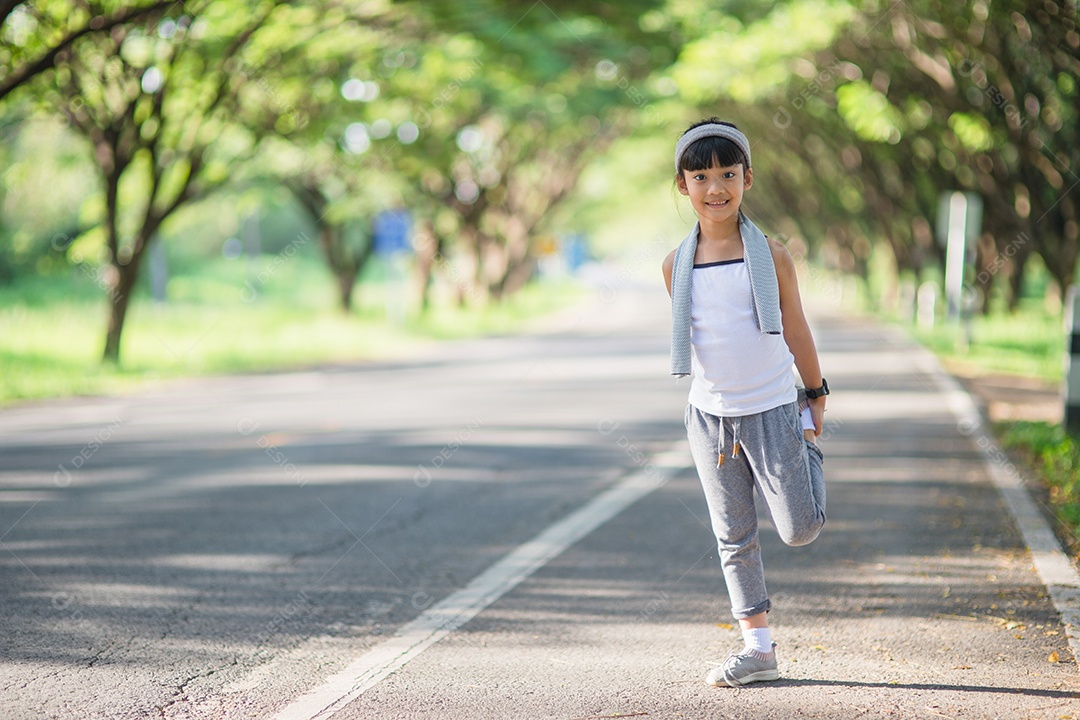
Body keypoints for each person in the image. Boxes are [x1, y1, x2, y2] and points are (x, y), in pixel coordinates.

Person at [662, 118, 828, 688]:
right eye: (700, 175)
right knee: (733, 535)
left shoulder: (773, 255)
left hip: (775, 408)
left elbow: (797, 329)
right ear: (682, 185)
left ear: (747, 179)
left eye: (727, 174)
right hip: (709, 417)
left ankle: (810, 458)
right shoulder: (674, 265)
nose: (716, 187)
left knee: (799, 528)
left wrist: (815, 395)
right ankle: (758, 648)